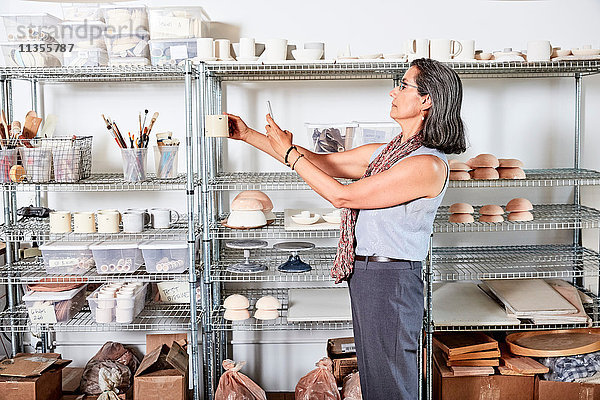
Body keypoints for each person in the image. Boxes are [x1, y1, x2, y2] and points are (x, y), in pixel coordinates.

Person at [226, 58, 467, 400]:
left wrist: (291, 154)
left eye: (403, 85)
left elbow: (342, 195)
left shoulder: (426, 164)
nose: (392, 91)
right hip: (369, 275)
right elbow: (319, 162)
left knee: (391, 384)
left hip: (392, 279)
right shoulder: (389, 152)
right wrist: (249, 135)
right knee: (376, 379)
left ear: (427, 100)